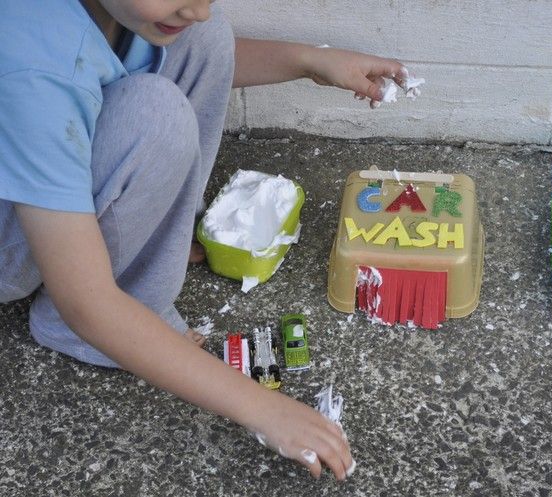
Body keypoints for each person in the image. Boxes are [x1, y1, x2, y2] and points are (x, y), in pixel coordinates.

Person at [0, 0, 409, 481]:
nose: (195, 6)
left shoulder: (115, 12)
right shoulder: (33, 66)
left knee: (205, 38)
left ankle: (156, 237)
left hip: (33, 178)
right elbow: (85, 302)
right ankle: (101, 322)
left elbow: (184, 49)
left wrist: (309, 61)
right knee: (156, 112)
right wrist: (264, 408)